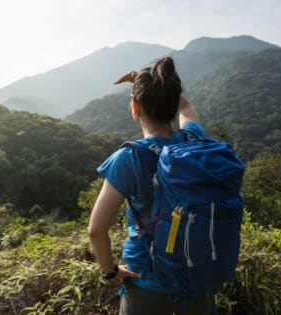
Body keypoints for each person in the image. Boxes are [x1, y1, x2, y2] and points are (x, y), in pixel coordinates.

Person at [88, 57, 213, 315]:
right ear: (173, 100)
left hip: (145, 280)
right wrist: (161, 89)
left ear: (135, 107)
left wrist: (110, 271)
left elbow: (96, 230)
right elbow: (186, 107)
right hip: (194, 276)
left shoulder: (128, 159)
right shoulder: (193, 141)